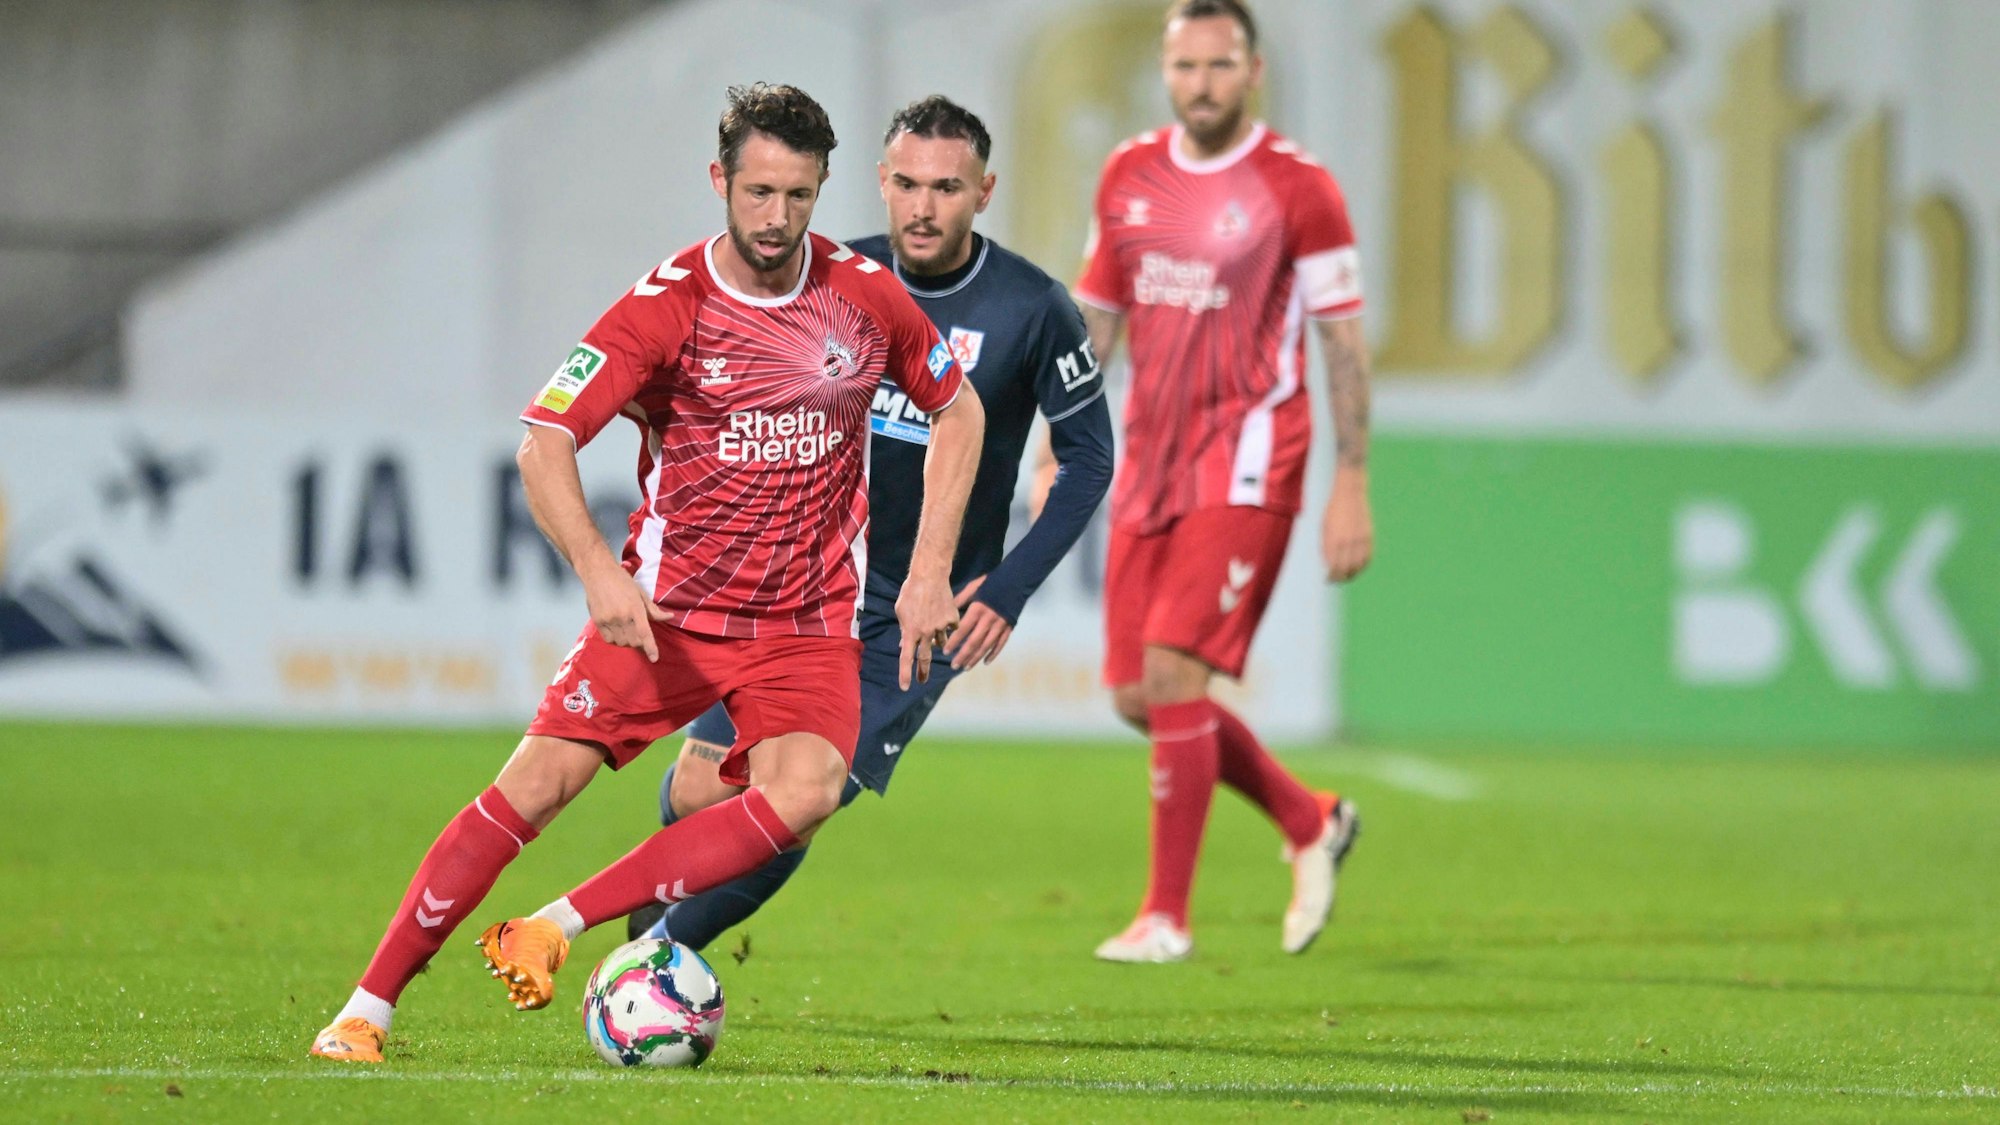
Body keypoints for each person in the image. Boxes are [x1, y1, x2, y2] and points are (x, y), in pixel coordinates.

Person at [309, 82, 985, 1062]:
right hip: (669, 616)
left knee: (807, 791)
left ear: (823, 189)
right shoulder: (667, 307)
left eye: (797, 196)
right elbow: (544, 439)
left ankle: (551, 928)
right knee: (534, 788)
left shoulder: (862, 297)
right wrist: (597, 572)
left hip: (802, 626)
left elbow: (957, 412)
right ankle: (363, 1011)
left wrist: (927, 574)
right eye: (756, 192)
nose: (775, 217)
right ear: (720, 181)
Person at [628, 94, 1114, 950]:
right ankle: (646, 932)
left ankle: (651, 960)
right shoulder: (831, 280)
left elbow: (1089, 462)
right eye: (907, 184)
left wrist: (1006, 588)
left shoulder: (1033, 308)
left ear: (985, 191)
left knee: (795, 797)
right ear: (880, 183)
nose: (924, 207)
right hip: (798, 581)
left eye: (948, 187)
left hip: (916, 612)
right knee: (702, 788)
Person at [1072, 0, 1372, 963]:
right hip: (1149, 462)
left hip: (1249, 460)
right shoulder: (1129, 172)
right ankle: (1307, 815)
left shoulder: (1301, 187)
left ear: (1255, 70)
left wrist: (1352, 480)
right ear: (1166, 70)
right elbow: (1100, 320)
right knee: (1135, 695)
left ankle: (1167, 914)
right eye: (1185, 66)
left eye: (1218, 65)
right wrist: (1056, 440)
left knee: (1172, 674)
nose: (1200, 83)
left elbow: (1342, 342)